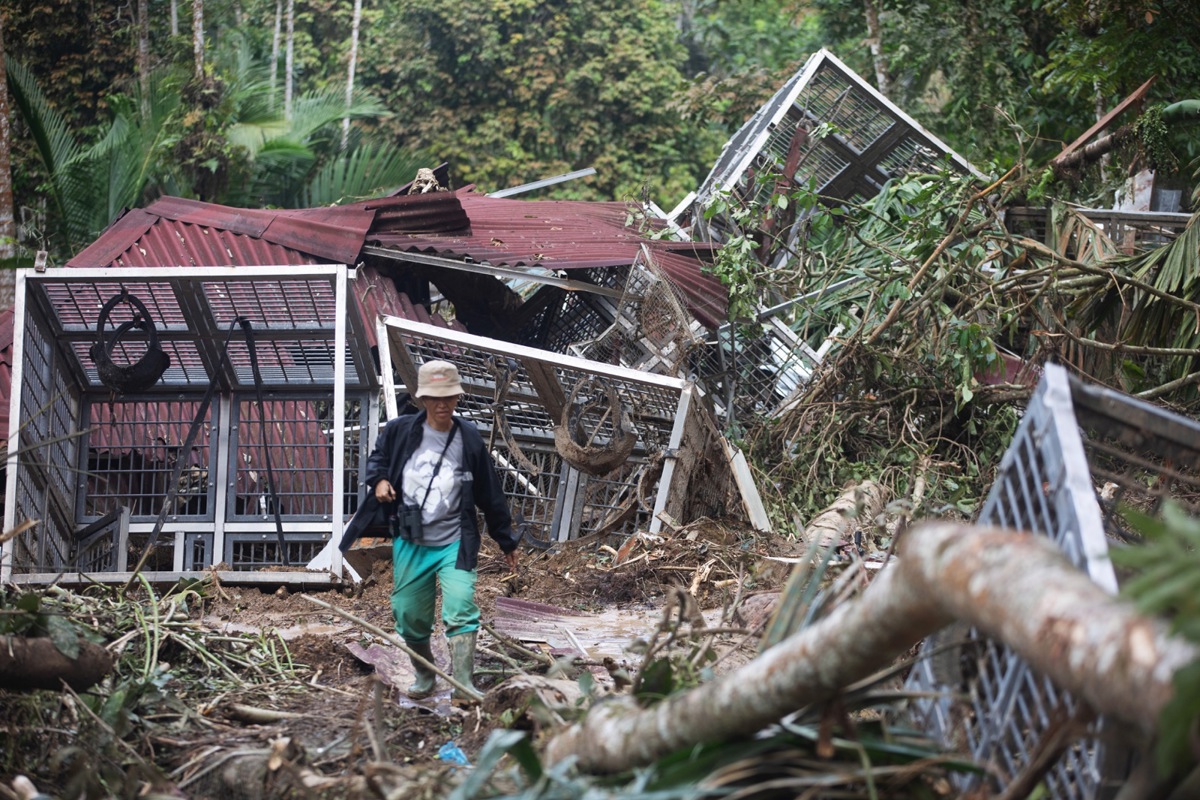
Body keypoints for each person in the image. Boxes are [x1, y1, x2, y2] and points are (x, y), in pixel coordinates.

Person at [342, 360, 520, 701]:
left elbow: (489, 491)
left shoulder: (467, 437)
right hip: (411, 540)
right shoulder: (399, 432)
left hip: (455, 540)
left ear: (457, 397)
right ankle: (426, 677)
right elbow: (377, 460)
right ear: (421, 398)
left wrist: (506, 540)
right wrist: (379, 481)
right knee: (409, 615)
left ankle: (464, 683)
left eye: (449, 397)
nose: (442, 405)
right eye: (435, 398)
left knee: (461, 606)